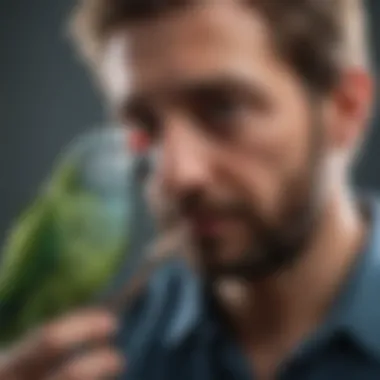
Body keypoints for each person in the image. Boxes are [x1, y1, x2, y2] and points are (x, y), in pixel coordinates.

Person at [0, 0, 377, 379]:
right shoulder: (99, 352)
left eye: (224, 108)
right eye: (144, 127)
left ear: (345, 109)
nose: (175, 175)